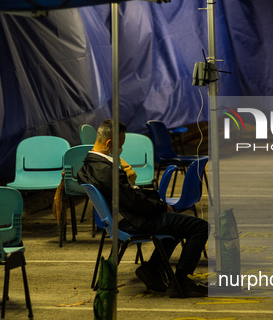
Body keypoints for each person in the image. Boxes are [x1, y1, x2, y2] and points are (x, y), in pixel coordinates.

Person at [77, 119, 209, 297]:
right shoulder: (107, 169)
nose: (120, 150)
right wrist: (161, 206)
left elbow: (128, 196)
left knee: (177, 226)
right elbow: (131, 201)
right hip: (132, 222)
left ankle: (153, 269)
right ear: (109, 144)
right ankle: (181, 281)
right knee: (200, 227)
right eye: (120, 146)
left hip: (123, 218)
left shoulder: (88, 165)